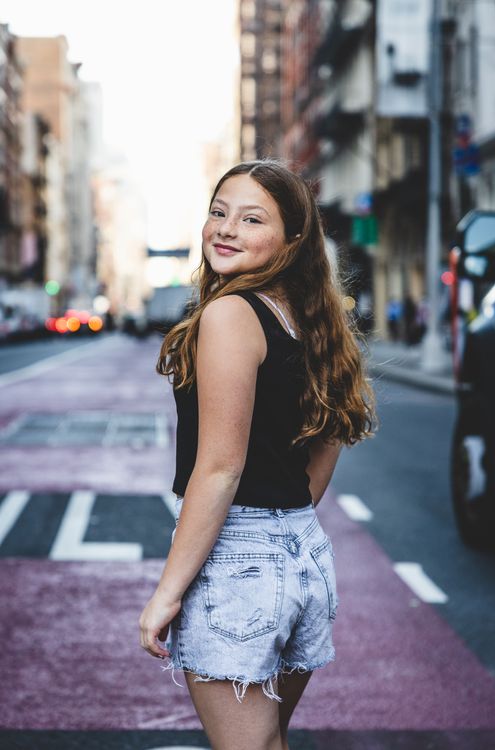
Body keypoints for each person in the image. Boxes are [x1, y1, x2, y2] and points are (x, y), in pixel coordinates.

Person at [139, 159, 376, 750]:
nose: (225, 229)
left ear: (293, 240)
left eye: (251, 219)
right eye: (218, 213)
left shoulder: (229, 314)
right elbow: (321, 460)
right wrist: (282, 531)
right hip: (304, 555)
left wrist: (166, 593)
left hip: (239, 562)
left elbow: (220, 468)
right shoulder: (311, 321)